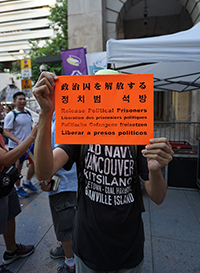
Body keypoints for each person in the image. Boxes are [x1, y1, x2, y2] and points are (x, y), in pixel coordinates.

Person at [33, 70, 174, 273]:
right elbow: (44, 171)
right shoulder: (79, 132)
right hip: (87, 247)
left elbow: (158, 197)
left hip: (128, 249)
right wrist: (46, 113)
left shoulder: (137, 136)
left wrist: (155, 170)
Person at [0, 103, 37, 273]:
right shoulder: (10, 116)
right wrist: (31, 137)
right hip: (4, 176)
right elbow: (5, 158)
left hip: (5, 181)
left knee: (10, 215)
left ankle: (11, 250)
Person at [40, 112, 77, 273]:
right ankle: (68, 250)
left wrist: (46, 180)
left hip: (64, 183)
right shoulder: (64, 116)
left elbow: (52, 158)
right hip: (72, 182)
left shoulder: (62, 120)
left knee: (65, 227)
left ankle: (70, 263)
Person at [4, 92, 37, 198]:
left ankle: (27, 182)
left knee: (35, 164)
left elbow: (29, 128)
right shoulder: (11, 115)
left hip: (29, 146)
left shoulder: (28, 113)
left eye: (24, 99)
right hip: (17, 147)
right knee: (17, 168)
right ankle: (18, 188)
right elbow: (6, 131)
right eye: (20, 99)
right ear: (14, 101)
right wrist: (18, 141)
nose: (23, 101)